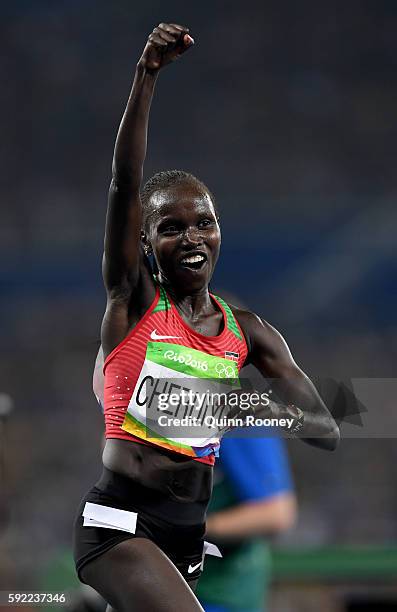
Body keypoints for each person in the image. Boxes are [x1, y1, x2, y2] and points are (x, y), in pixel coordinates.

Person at [72, 22, 339, 612]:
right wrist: (146, 75)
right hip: (121, 526)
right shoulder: (134, 302)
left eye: (204, 222)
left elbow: (326, 427)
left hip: (187, 539)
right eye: (171, 227)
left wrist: (240, 404)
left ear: (220, 231)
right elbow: (124, 182)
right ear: (145, 245)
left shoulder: (251, 332)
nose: (192, 237)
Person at [197, 432, 296, 612]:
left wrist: (186, 527)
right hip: (178, 584)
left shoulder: (240, 418)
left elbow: (275, 513)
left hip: (218, 593)